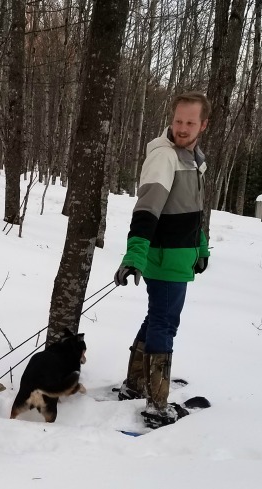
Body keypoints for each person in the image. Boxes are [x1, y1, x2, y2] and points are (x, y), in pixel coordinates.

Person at [114, 91, 211, 429]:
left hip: (180, 255)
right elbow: (147, 208)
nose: (182, 128)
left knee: (156, 317)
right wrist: (135, 252)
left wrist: (201, 248)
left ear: (203, 125)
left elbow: (193, 211)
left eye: (190, 122)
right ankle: (156, 405)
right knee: (165, 324)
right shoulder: (165, 156)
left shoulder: (193, 157)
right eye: (178, 120)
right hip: (164, 256)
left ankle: (136, 384)